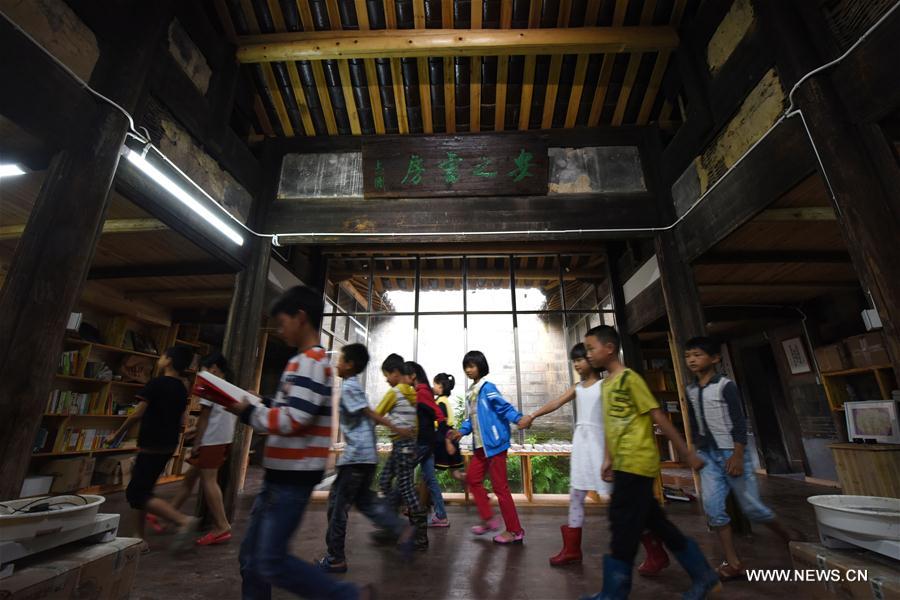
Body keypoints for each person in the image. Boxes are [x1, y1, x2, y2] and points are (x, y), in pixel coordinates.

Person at [228, 285, 369, 600]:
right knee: (252, 559)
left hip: (291, 478)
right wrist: (261, 402)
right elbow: (292, 407)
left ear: (300, 317)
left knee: (270, 561)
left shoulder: (310, 362)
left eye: (282, 322)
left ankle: (347, 596)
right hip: (280, 476)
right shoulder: (305, 362)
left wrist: (249, 412)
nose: (280, 331)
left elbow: (293, 419)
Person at [580, 325, 719, 600]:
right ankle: (705, 576)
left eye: (591, 348)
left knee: (622, 525)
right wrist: (608, 458)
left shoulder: (630, 379)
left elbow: (658, 415)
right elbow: (610, 424)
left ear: (609, 348)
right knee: (656, 523)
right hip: (622, 464)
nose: (588, 355)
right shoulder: (606, 385)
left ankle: (613, 593)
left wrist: (686, 452)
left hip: (637, 463)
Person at [684, 336, 794, 580]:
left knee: (752, 508)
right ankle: (733, 561)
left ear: (715, 358)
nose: (691, 360)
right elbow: (693, 423)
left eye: (698, 355)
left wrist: (738, 453)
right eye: (688, 356)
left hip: (731, 452)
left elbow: (738, 421)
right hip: (707, 455)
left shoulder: (725, 386)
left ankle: (791, 539)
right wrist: (693, 450)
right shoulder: (690, 390)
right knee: (713, 508)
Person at [317, 343, 414, 573]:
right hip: (365, 457)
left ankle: (335, 558)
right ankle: (399, 527)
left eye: (340, 359)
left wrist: (395, 427)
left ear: (350, 365)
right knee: (365, 502)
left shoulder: (350, 386)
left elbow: (369, 413)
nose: (337, 363)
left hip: (356, 458)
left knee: (337, 506)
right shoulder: (353, 386)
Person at [518, 342, 611, 566]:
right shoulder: (577, 387)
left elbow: (611, 420)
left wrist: (611, 455)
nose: (577, 364)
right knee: (576, 495)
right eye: (574, 361)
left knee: (617, 499)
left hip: (602, 444)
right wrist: (532, 416)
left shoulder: (606, 385)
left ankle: (652, 545)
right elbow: (556, 402)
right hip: (582, 445)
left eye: (580, 359)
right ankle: (572, 550)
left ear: (592, 359)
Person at [108, 345, 198, 550]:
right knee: (144, 489)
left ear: (169, 361)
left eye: (163, 356)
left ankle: (182, 520)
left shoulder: (156, 383)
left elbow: (137, 414)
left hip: (151, 442)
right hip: (168, 444)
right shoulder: (182, 387)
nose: (160, 358)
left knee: (136, 494)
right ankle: (139, 537)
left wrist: (118, 433)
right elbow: (182, 419)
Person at [447, 350, 525, 545]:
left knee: (501, 488)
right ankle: (489, 519)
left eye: (471, 366)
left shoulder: (487, 388)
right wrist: (461, 432)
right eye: (466, 366)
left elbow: (503, 407)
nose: (468, 370)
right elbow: (470, 419)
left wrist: (518, 418)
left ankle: (515, 530)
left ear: (480, 367)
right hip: (481, 448)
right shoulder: (471, 392)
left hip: (495, 445)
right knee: (473, 479)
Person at [170, 351, 235, 546]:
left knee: (209, 481)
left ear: (213, 369)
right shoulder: (229, 387)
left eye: (203, 369)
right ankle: (168, 514)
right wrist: (197, 431)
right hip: (223, 439)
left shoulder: (211, 386)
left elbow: (205, 417)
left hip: (211, 440)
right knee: (190, 478)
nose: (201, 373)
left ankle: (222, 526)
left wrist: (197, 442)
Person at [374, 354, 424, 546]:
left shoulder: (394, 393)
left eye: (387, 375)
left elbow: (376, 415)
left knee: (405, 486)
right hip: (406, 445)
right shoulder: (413, 392)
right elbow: (417, 422)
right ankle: (392, 524)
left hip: (401, 445)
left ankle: (418, 530)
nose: (386, 379)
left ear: (395, 373)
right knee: (385, 480)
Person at [406, 361, 450, 534]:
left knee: (403, 471)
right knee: (430, 480)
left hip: (424, 443)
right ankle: (441, 516)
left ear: (413, 376)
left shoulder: (423, 392)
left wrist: (440, 436)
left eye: (404, 375)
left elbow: (439, 415)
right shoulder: (422, 392)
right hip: (427, 443)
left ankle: (411, 511)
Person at [430, 372, 465, 527]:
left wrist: (447, 442)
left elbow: (443, 424)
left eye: (435, 384)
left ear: (441, 387)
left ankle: (436, 513)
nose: (433, 387)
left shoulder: (441, 402)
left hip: (444, 440)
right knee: (456, 473)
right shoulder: (443, 401)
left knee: (429, 476)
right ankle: (476, 483)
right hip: (450, 438)